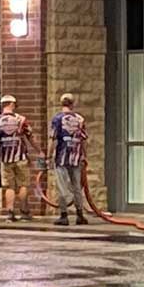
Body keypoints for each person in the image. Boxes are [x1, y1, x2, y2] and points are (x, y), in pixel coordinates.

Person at [0, 94, 35, 221]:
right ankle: (24, 211)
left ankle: (10, 212)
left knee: (9, 186)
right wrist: (39, 151)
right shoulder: (21, 119)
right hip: (21, 157)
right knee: (23, 185)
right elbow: (30, 137)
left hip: (5, 158)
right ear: (12, 104)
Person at [49, 93, 91, 227]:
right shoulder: (80, 119)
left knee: (62, 186)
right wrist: (84, 155)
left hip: (61, 156)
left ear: (62, 104)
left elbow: (53, 139)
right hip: (76, 156)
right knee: (77, 186)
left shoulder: (57, 119)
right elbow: (83, 140)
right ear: (73, 104)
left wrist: (48, 155)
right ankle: (80, 215)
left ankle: (63, 215)